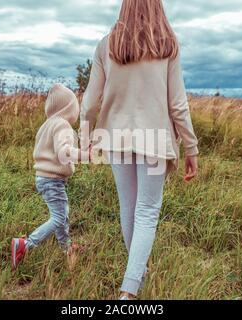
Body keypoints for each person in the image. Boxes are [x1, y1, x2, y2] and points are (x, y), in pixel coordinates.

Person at [80, 0, 199, 299]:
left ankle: (137, 272)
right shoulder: (168, 46)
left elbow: (90, 102)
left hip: (117, 138)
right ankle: (130, 291)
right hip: (156, 141)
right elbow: (178, 104)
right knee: (146, 211)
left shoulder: (107, 46)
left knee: (129, 208)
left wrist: (84, 137)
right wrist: (191, 148)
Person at [11, 84, 90, 270]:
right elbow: (63, 152)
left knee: (62, 214)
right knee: (58, 217)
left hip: (44, 178)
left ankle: (66, 246)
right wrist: (84, 155)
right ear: (68, 109)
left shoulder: (46, 125)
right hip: (53, 180)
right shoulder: (62, 125)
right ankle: (26, 245)